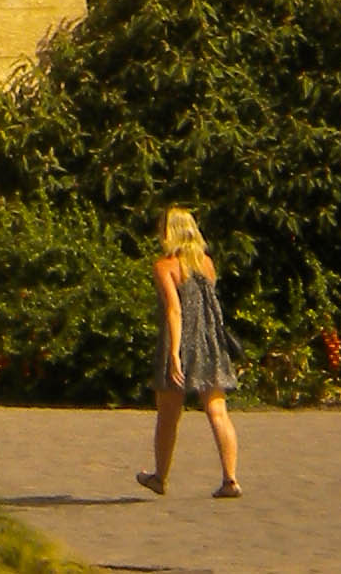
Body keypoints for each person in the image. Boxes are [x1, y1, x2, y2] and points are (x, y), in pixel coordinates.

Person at [138, 208, 242, 499]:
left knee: (168, 414)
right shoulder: (206, 264)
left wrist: (173, 354)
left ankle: (160, 477)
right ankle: (230, 478)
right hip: (210, 342)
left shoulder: (164, 266)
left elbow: (175, 309)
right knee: (217, 410)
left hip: (182, 342)